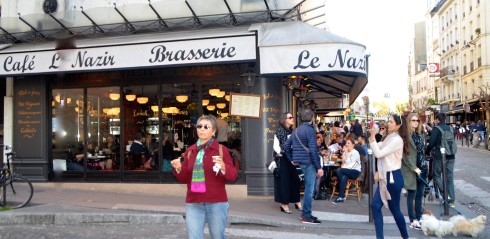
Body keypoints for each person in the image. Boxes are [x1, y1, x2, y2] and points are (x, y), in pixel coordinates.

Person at [171, 115, 238, 239]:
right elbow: (184, 178)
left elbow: (233, 175)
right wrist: (179, 168)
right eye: (199, 126)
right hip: (194, 203)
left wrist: (223, 166)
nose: (202, 129)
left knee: (218, 236)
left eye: (206, 126)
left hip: (216, 203)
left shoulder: (221, 150)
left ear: (213, 131)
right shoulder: (190, 151)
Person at [369, 114, 409, 239]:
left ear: (398, 125)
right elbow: (379, 146)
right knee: (376, 206)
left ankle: (405, 236)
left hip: (392, 177)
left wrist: (372, 136)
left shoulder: (397, 140)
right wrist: (373, 136)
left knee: (395, 209)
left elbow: (379, 153)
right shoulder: (390, 137)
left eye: (391, 121)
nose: (388, 123)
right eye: (388, 121)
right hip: (386, 177)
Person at [284, 109, 323, 224]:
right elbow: (313, 150)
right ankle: (306, 215)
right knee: (309, 190)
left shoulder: (296, 131)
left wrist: (292, 159)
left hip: (300, 162)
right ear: (311, 119)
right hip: (309, 162)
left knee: (308, 188)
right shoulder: (310, 131)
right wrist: (319, 167)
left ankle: (307, 214)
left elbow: (286, 146)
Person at [402, 112, 428, 231]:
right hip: (412, 168)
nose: (416, 122)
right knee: (411, 194)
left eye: (417, 120)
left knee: (420, 195)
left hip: (422, 167)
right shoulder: (406, 135)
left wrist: (423, 167)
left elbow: (422, 152)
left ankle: (419, 217)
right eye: (413, 120)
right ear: (408, 121)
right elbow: (406, 155)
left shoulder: (419, 134)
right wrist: (414, 168)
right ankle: (413, 220)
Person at [273, 112, 301, 214]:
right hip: (283, 158)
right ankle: (284, 204)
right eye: (290, 117)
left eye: (292, 117)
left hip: (291, 158)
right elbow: (276, 146)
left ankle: (296, 201)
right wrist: (280, 152)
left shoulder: (292, 130)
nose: (292, 119)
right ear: (284, 119)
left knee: (295, 180)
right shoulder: (280, 131)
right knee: (284, 182)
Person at [426, 113, 456, 207]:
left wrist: (427, 151)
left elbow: (431, 143)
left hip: (440, 156)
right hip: (451, 155)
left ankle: (446, 195)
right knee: (449, 177)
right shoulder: (451, 128)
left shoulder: (436, 129)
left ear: (437, 120)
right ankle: (451, 200)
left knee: (436, 175)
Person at [332, 137, 361, 204]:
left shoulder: (355, 153)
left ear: (353, 145)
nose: (347, 144)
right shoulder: (346, 152)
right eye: (346, 143)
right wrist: (344, 153)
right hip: (347, 171)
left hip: (354, 171)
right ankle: (341, 197)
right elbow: (343, 161)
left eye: (349, 143)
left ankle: (341, 195)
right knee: (343, 177)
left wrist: (345, 152)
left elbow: (348, 162)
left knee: (339, 171)